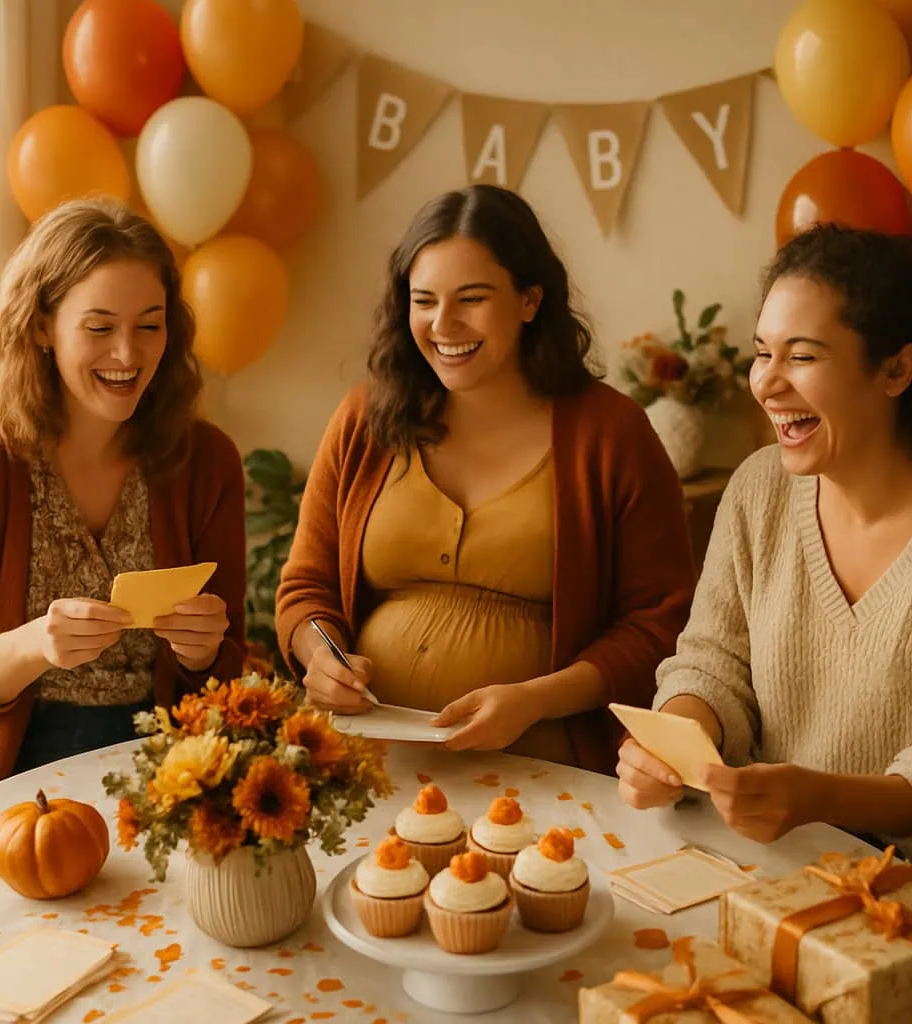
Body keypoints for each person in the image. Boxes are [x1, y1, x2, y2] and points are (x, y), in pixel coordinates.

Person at [276, 184, 696, 773]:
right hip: (363, 766)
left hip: (544, 771)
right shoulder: (365, 419)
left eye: (471, 298)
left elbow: (660, 622)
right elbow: (306, 587)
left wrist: (536, 700)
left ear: (529, 300)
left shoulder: (612, 434)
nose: (443, 324)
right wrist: (321, 657)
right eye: (423, 301)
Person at [616, 224, 912, 864]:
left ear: (897, 368)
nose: (767, 383)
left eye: (801, 356)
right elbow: (712, 663)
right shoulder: (758, 488)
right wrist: (677, 739)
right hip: (760, 864)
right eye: (762, 352)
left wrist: (822, 798)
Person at [0, 198, 246, 803]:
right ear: (41, 326)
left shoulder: (207, 460)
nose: (128, 355)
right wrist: (33, 644)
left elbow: (227, 666)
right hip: (10, 775)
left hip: (169, 767)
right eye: (100, 328)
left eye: (150, 325)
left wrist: (206, 649)